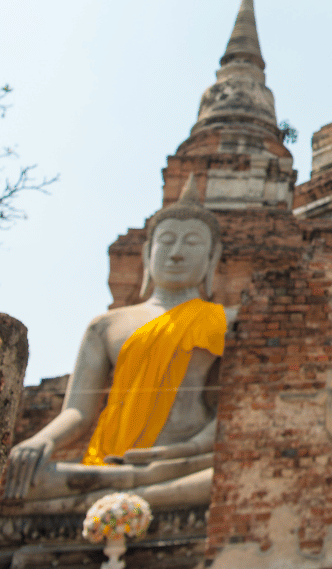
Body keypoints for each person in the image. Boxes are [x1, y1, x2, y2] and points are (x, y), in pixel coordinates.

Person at [4, 176, 231, 510]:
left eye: (193, 243)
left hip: (182, 460)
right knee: (22, 477)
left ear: (213, 257)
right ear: (146, 252)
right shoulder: (106, 325)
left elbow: (231, 409)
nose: (177, 254)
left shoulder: (228, 320)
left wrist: (183, 451)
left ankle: (126, 492)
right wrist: (39, 441)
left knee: (225, 478)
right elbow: (79, 412)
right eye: (166, 241)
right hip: (107, 460)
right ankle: (125, 490)